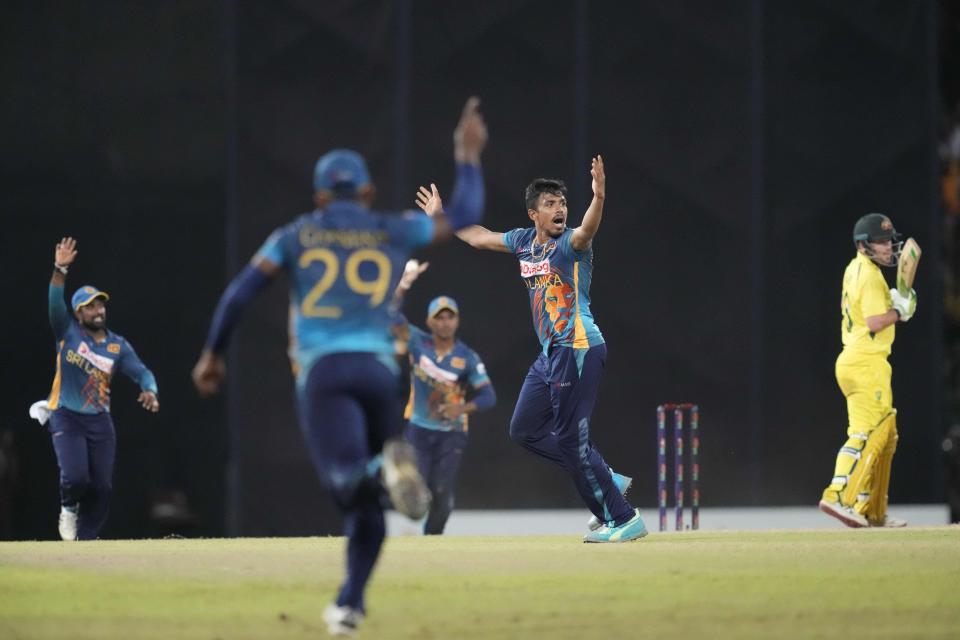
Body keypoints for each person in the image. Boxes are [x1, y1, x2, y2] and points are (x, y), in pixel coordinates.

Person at [192, 97, 487, 637]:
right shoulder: (393, 228)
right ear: (369, 191)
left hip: (325, 372)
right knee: (369, 509)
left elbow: (239, 295)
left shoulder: (294, 235)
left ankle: (381, 470)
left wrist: (213, 352)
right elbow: (465, 215)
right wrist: (466, 155)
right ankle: (349, 605)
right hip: (380, 371)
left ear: (320, 194)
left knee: (347, 485)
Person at [416, 155, 646, 543]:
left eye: (563, 203)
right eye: (551, 204)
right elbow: (478, 237)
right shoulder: (523, 241)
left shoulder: (571, 245)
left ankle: (622, 519)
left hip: (578, 346)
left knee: (572, 440)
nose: (560, 210)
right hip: (549, 356)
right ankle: (604, 476)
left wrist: (600, 197)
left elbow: (586, 230)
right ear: (534, 213)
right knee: (523, 430)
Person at [44, 237, 160, 541]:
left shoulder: (116, 345)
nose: (97, 310)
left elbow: (142, 372)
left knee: (102, 486)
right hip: (66, 413)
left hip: (99, 420)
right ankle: (68, 508)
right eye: (89, 306)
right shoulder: (66, 331)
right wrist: (60, 270)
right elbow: (55, 302)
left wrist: (151, 390)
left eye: (99, 304)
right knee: (75, 476)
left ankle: (86, 540)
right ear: (78, 314)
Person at [818, 213, 917, 528]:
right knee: (865, 435)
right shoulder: (871, 275)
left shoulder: (854, 268)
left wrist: (892, 301)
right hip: (866, 362)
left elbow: (859, 311)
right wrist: (899, 311)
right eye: (882, 241)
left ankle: (871, 509)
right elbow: (875, 322)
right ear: (864, 245)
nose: (889, 247)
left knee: (886, 435)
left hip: (858, 359)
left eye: (890, 241)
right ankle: (837, 496)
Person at [391, 260, 496, 534]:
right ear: (429, 321)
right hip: (418, 429)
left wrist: (460, 409)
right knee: (419, 490)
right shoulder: (417, 342)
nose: (445, 322)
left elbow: (488, 396)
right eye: (439, 317)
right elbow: (390, 314)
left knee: (442, 495)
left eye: (450, 316)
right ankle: (414, 517)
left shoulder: (467, 357)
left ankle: (431, 542)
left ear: (457, 320)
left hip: (452, 433)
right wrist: (404, 283)